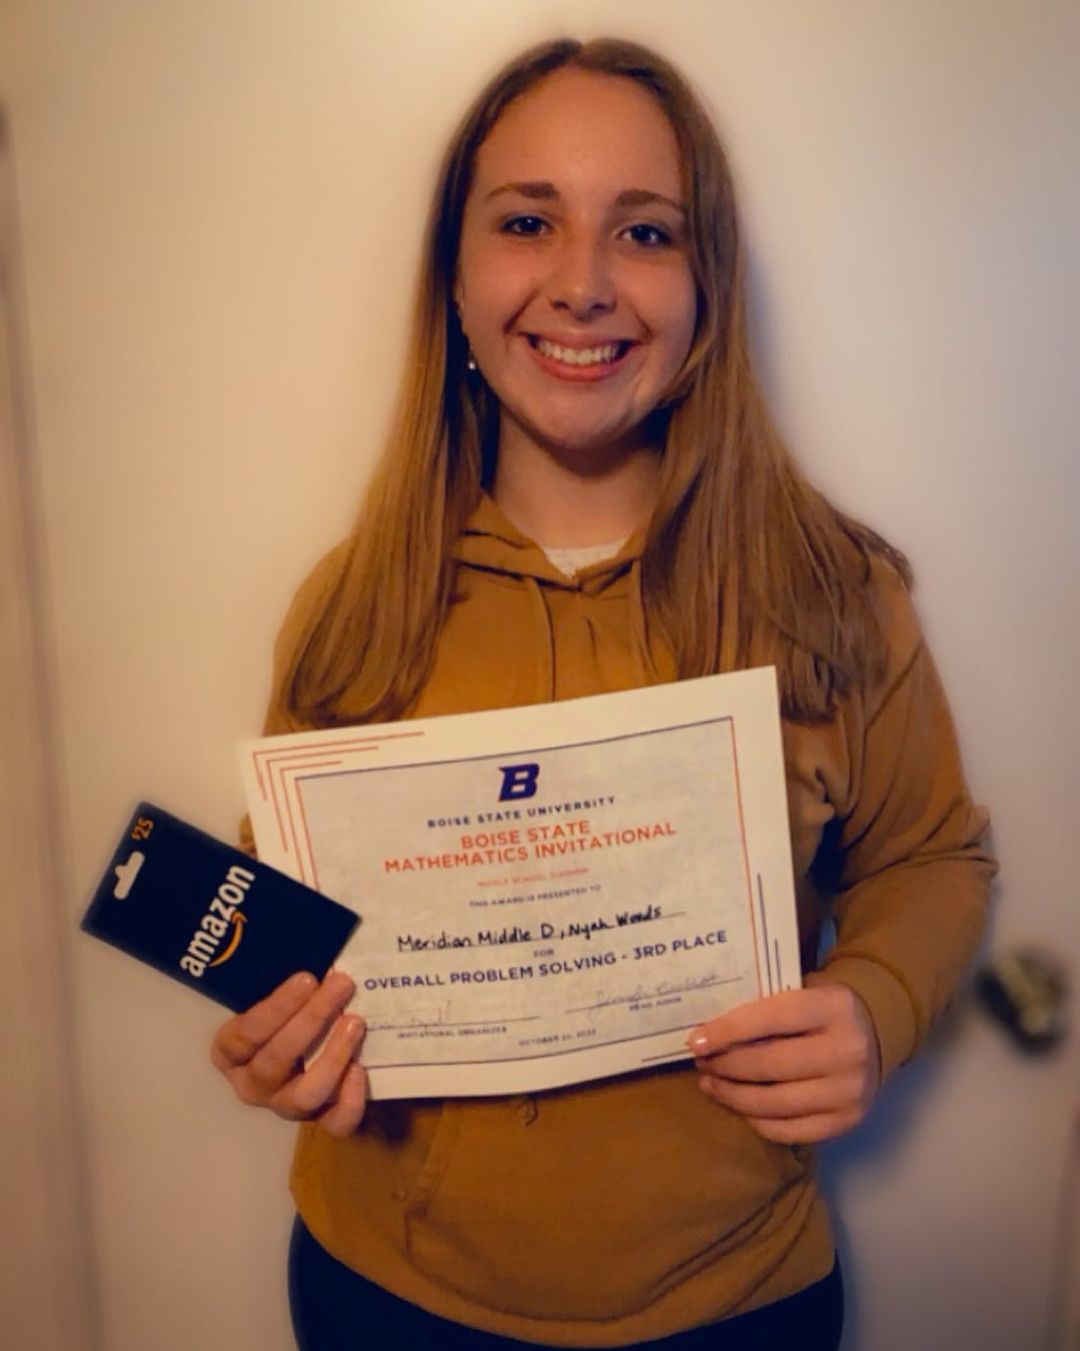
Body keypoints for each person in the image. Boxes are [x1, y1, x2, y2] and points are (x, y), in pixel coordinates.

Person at [211, 36, 994, 1350]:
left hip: (738, 1300)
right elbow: (283, 914)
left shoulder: (833, 594)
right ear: (455, 276)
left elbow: (933, 857)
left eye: (645, 231)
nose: (581, 285)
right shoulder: (354, 605)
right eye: (528, 222)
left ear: (706, 283)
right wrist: (271, 1024)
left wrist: (878, 1005)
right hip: (387, 1291)